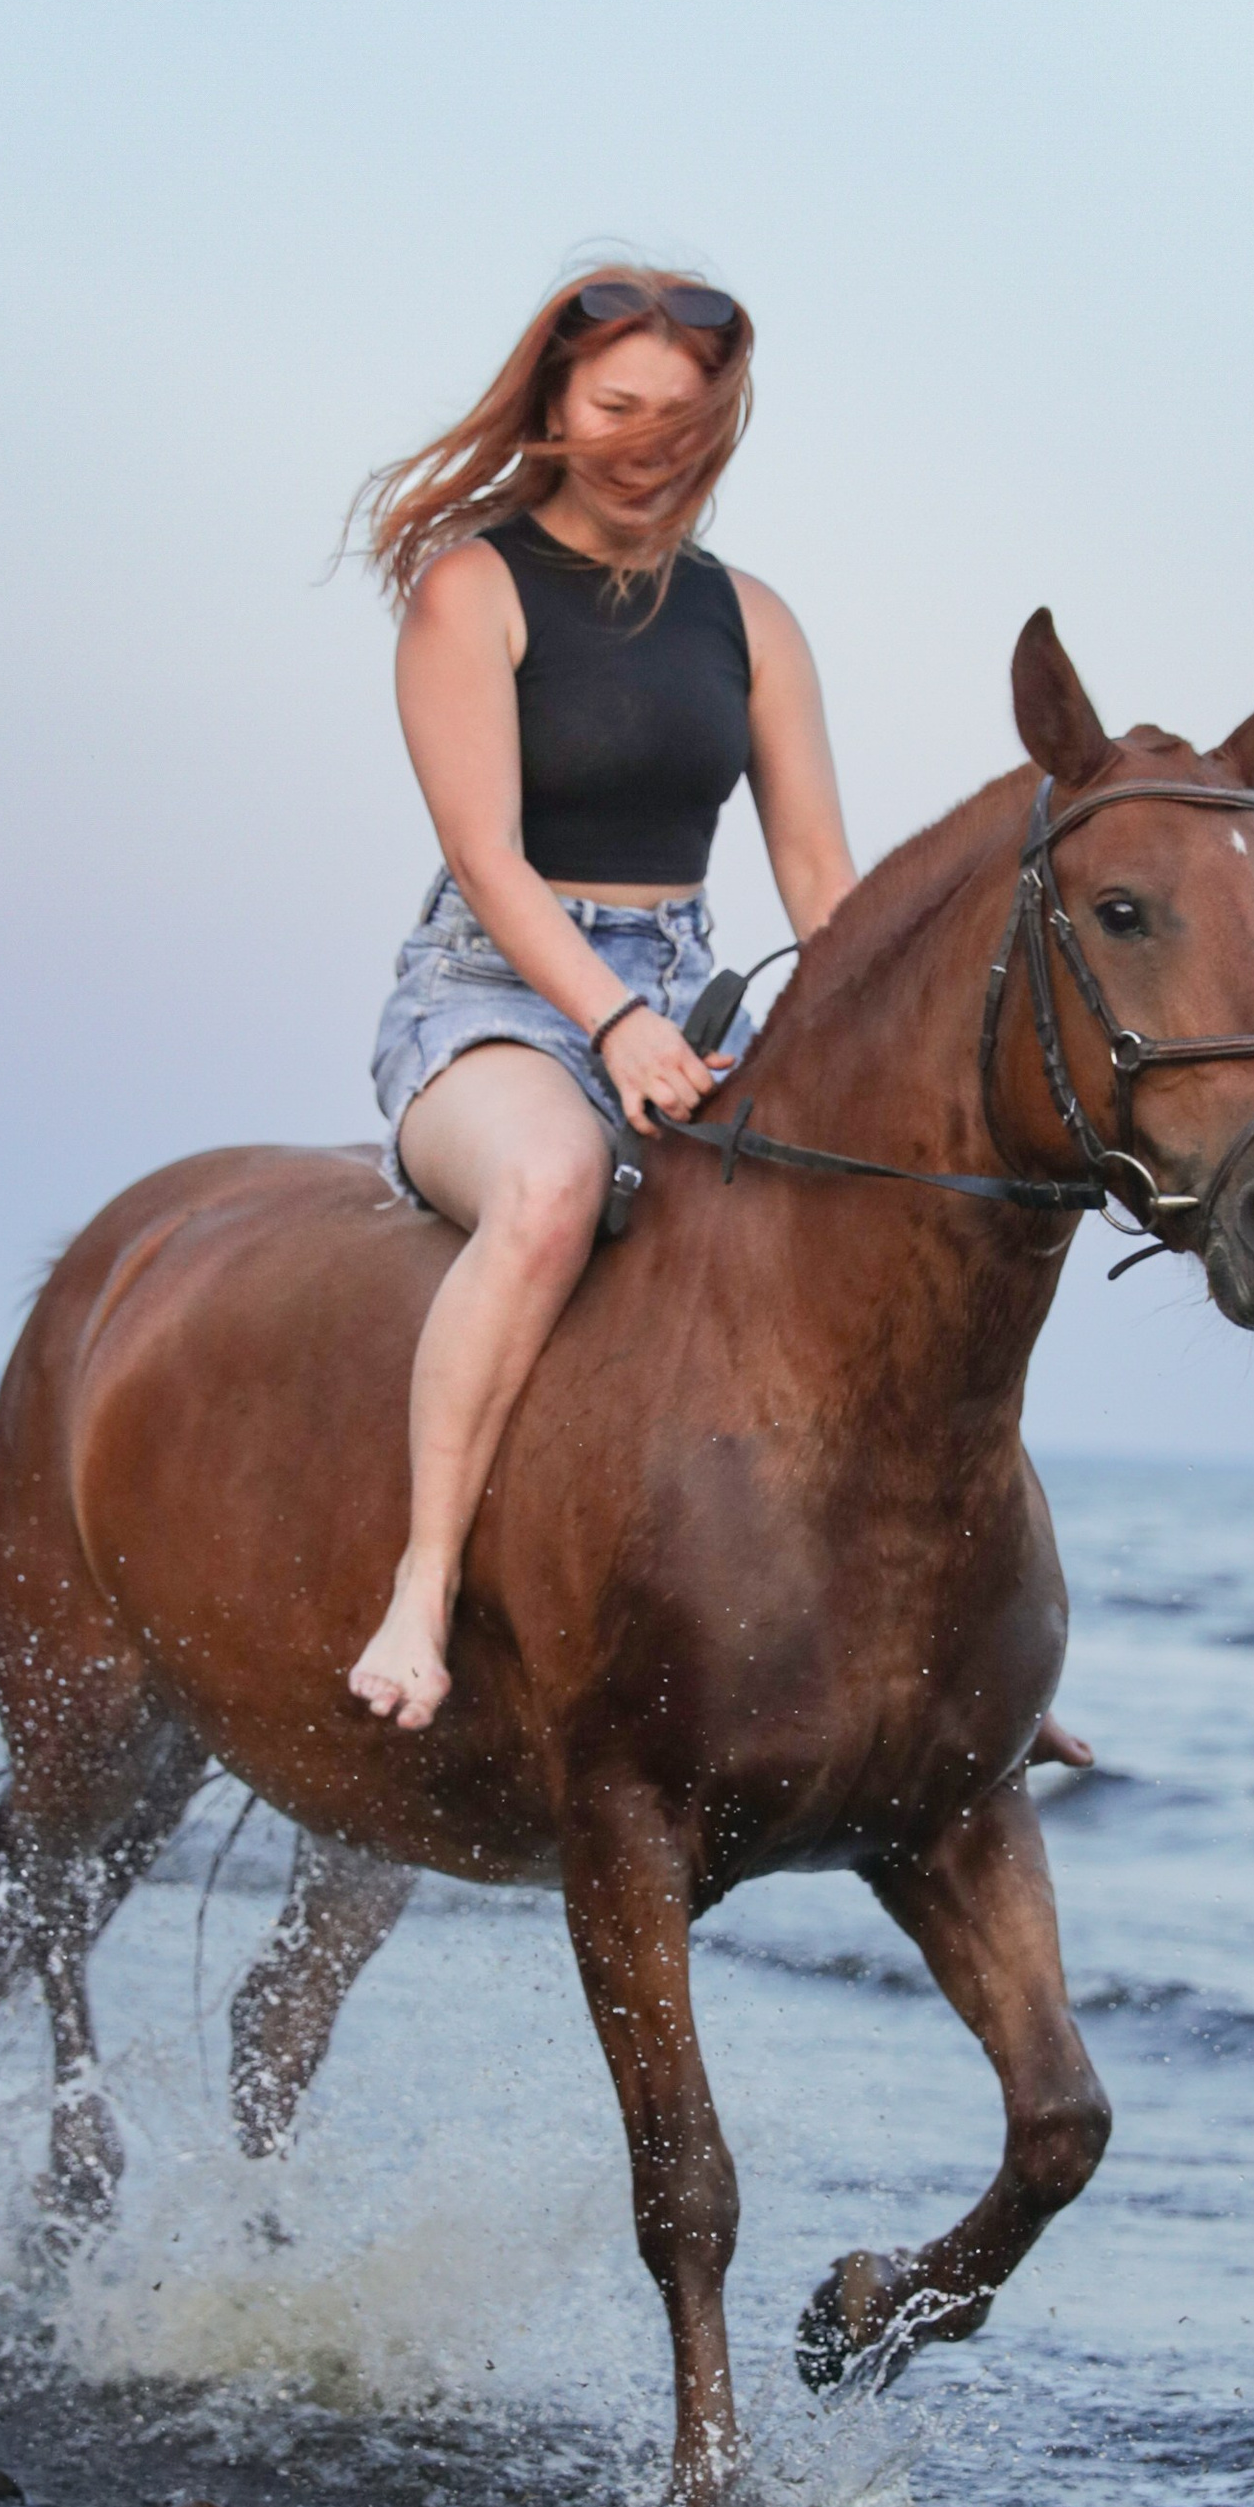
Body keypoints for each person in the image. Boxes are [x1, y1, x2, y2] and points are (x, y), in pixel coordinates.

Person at [349, 268, 858, 1730]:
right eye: (617, 408)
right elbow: (487, 858)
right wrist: (614, 1025)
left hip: (690, 981)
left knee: (882, 1215)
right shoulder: (473, 588)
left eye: (679, 420)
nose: (647, 445)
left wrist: (867, 1038)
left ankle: (946, 1630)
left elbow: (820, 872)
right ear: (558, 405)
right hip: (492, 991)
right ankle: (425, 1584)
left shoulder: (749, 619)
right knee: (557, 1183)